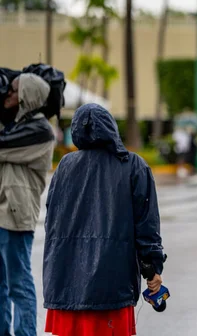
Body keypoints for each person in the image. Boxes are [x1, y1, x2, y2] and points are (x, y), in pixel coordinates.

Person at [43, 104, 166, 336]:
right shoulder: (133, 165)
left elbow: (52, 224)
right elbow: (147, 226)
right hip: (112, 286)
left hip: (67, 284)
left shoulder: (64, 167)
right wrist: (152, 269)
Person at [0, 74, 55, 336]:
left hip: (15, 217)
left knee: (18, 284)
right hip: (3, 213)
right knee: (1, 284)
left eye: (13, 90)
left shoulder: (39, 130)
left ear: (27, 95)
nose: (7, 94)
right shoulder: (15, 125)